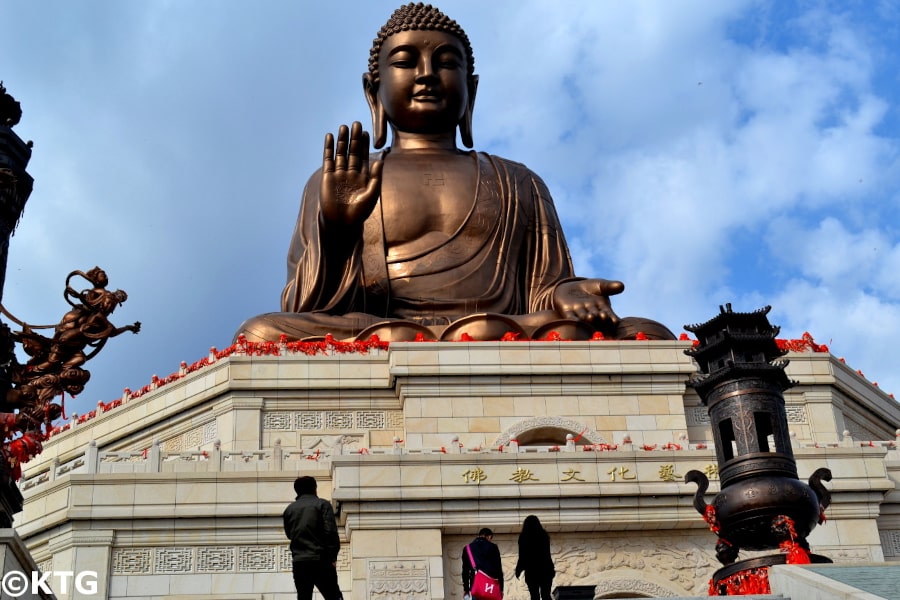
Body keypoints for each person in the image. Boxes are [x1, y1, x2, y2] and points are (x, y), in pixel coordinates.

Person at [235, 3, 674, 343]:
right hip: (384, 329)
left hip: (505, 327)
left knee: (646, 334)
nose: (427, 74)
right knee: (260, 332)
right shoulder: (343, 178)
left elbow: (543, 287)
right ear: (374, 91)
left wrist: (565, 295)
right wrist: (335, 232)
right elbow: (306, 304)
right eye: (406, 61)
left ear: (472, 88)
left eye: (446, 62)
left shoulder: (518, 181)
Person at [283, 476, 343, 600]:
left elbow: (289, 534)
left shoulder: (289, 510)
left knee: (304, 597)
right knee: (334, 596)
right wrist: (332, 557)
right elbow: (331, 532)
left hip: (300, 563)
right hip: (321, 560)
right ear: (315, 488)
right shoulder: (322, 504)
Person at [515, 515, 555, 600]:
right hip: (545, 569)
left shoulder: (523, 537)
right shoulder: (544, 535)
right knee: (546, 595)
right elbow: (547, 554)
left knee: (534, 596)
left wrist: (519, 569)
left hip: (531, 571)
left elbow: (522, 556)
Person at [462, 527, 503, 599]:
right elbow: (499, 570)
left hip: (476, 585)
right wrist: (501, 589)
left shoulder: (467, 548)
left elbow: (465, 571)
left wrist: (466, 589)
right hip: (490, 587)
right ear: (489, 536)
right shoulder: (493, 547)